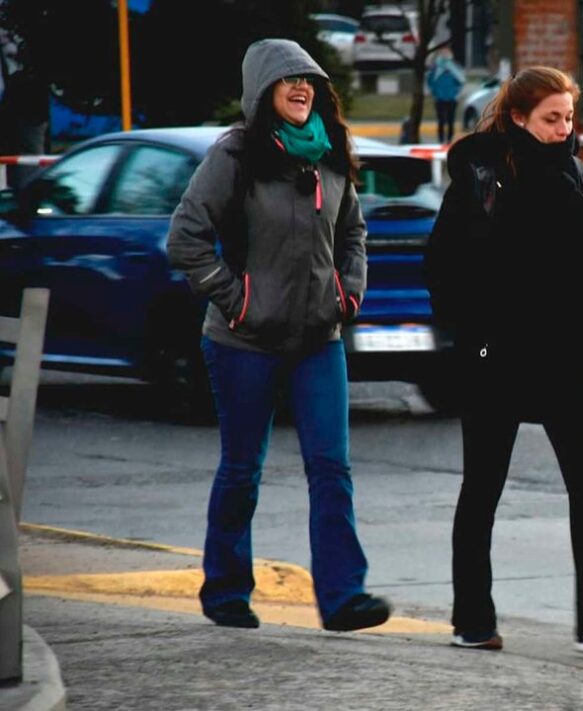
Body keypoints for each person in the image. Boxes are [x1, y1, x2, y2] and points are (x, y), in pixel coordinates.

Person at [424, 66, 583, 654]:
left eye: (569, 117)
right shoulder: (484, 175)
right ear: (519, 117)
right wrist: (476, 343)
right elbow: (443, 268)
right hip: (495, 361)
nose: (563, 128)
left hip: (566, 362)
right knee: (483, 489)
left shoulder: (573, 170)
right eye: (552, 118)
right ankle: (471, 621)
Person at [167, 38, 391, 633]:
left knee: (331, 468)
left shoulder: (330, 152)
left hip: (319, 339)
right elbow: (185, 237)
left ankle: (344, 599)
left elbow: (353, 234)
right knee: (243, 468)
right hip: (243, 342)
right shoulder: (236, 155)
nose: (303, 88)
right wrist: (238, 300)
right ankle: (225, 590)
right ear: (262, 90)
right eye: (289, 80)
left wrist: (349, 294)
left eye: (310, 80)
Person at [426, 47, 465, 143]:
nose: (445, 55)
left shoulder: (455, 67)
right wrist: (434, 92)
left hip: (452, 99)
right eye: (443, 53)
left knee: (451, 122)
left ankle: (449, 141)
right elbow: (430, 81)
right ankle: (441, 141)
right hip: (439, 99)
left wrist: (456, 94)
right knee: (441, 121)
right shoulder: (436, 68)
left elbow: (461, 81)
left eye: (446, 52)